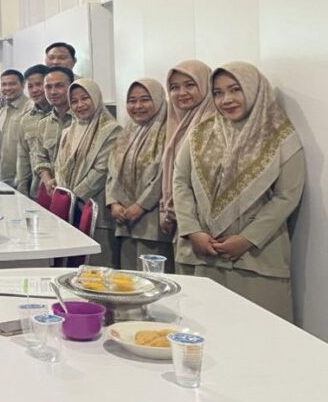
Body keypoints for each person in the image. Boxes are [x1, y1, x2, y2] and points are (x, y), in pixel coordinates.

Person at [173, 64, 304, 320]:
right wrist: (193, 231)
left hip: (257, 259)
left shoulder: (281, 137)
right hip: (203, 254)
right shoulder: (199, 134)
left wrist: (246, 239)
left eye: (235, 90)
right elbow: (180, 181)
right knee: (204, 331)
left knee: (258, 333)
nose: (226, 99)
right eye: (218, 93)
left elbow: (287, 196)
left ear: (255, 90)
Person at [55, 79, 122, 266]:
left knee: (96, 263)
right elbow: (58, 164)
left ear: (96, 98)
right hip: (69, 206)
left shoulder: (112, 130)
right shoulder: (68, 131)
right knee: (71, 262)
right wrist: (65, 195)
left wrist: (74, 196)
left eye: (85, 98)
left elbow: (101, 170)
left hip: (94, 205)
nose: (80, 105)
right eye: (74, 101)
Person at [106, 78, 170, 272]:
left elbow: (164, 175)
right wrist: (113, 202)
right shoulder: (127, 131)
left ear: (158, 99)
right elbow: (112, 169)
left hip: (152, 224)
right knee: (127, 278)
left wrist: (141, 206)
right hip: (124, 221)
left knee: (152, 279)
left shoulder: (169, 131)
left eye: (145, 100)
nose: (138, 106)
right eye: (132, 101)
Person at [160, 61, 216, 245]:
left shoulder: (213, 123)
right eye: (174, 88)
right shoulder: (178, 122)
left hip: (203, 225)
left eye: (190, 85)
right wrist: (166, 209)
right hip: (179, 218)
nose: (181, 93)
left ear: (206, 84)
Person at [31, 66, 75, 195]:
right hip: (50, 191)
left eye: (59, 86)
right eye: (48, 87)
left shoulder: (82, 120)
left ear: (71, 87)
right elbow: (40, 158)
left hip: (77, 193)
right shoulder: (44, 124)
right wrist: (47, 180)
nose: (53, 92)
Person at [14, 64, 52, 197]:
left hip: (61, 189)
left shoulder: (66, 116)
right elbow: (23, 157)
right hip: (37, 190)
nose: (35, 90)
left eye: (39, 84)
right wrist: (22, 191)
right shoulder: (26, 120)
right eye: (30, 86)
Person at [0, 68, 28, 187]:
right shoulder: (2, 111)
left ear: (23, 85)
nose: (7, 88)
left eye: (12, 84)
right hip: (4, 175)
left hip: (24, 177)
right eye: (4, 84)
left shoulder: (31, 108)